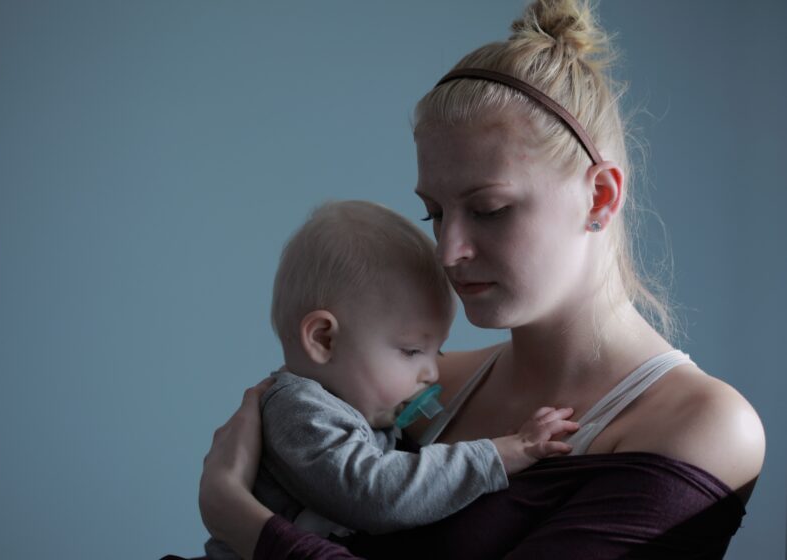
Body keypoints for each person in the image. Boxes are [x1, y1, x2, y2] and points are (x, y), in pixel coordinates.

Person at [196, 0, 765, 558]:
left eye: (489, 209)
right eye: (434, 213)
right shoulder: (421, 383)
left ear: (600, 195)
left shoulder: (704, 426)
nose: (448, 252)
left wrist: (242, 521)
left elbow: (272, 516)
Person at [205, 200, 578, 559]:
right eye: (412, 351)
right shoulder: (300, 412)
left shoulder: (360, 410)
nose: (432, 373)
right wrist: (499, 454)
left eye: (437, 352)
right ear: (324, 339)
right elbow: (377, 493)